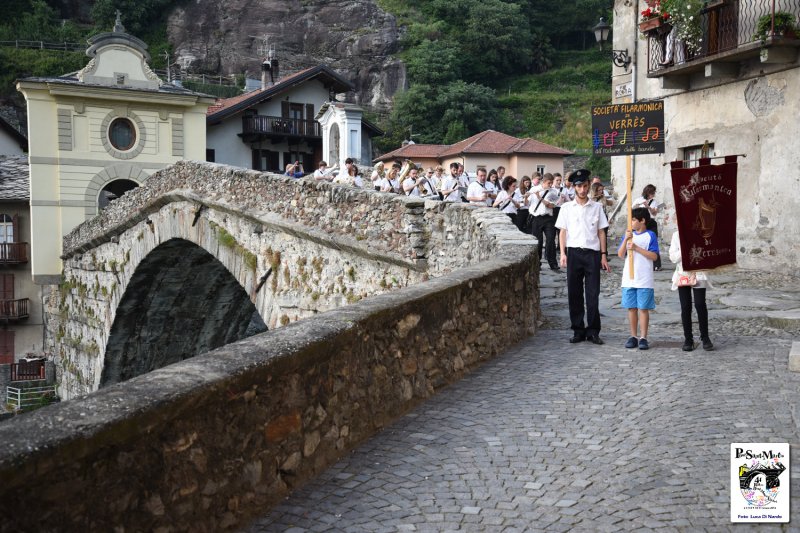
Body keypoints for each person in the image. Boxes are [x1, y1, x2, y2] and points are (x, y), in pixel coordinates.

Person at [555, 169, 611, 344]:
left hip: (592, 254)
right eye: (579, 186)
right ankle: (578, 330)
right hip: (574, 253)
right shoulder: (566, 208)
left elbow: (601, 232)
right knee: (574, 293)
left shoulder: (597, 207)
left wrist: (603, 255)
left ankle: (593, 331)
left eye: (585, 186)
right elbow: (562, 233)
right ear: (574, 188)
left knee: (593, 294)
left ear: (588, 187)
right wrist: (563, 253)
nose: (582, 189)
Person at [618, 208, 660, 351]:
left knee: (643, 308)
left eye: (634, 220)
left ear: (642, 221)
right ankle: (633, 336)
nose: (631, 222)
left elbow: (654, 256)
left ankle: (643, 337)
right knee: (631, 308)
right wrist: (626, 240)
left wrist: (636, 248)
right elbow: (620, 254)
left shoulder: (650, 235)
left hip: (644, 277)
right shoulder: (629, 235)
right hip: (629, 277)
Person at [669, 231, 714, 352]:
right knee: (685, 306)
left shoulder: (702, 234)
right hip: (682, 273)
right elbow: (673, 257)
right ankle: (688, 339)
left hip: (699, 272)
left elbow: (708, 252)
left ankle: (705, 337)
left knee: (700, 304)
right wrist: (685, 247)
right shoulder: (677, 235)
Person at [530, 174, 561, 271]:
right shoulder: (534, 189)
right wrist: (526, 196)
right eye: (549, 183)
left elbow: (551, 206)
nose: (551, 185)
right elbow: (526, 203)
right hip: (536, 218)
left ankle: (553, 263)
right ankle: (537, 263)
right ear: (544, 182)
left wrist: (540, 198)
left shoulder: (553, 192)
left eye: (552, 183)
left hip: (548, 219)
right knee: (538, 242)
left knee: (551, 240)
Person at [632, 184, 662, 270]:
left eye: (654, 193)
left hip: (651, 222)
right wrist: (638, 205)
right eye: (652, 193)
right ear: (647, 192)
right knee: (640, 241)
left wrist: (648, 206)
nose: (653, 194)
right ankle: (639, 262)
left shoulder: (654, 202)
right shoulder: (639, 199)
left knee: (653, 241)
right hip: (641, 223)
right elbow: (632, 209)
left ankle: (656, 265)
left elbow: (654, 213)